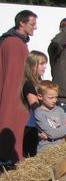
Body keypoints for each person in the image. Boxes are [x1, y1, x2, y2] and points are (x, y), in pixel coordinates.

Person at [0, 9, 37, 164]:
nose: (35, 27)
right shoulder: (14, 44)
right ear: (21, 23)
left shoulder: (13, 42)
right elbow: (14, 79)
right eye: (32, 23)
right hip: (15, 99)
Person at [22, 50, 48, 157]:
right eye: (41, 64)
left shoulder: (41, 83)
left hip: (40, 123)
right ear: (32, 65)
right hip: (32, 126)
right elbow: (36, 108)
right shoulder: (28, 85)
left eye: (45, 64)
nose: (44, 67)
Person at [34, 80, 66, 151]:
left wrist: (52, 134)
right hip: (47, 148)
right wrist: (65, 127)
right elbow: (52, 134)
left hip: (62, 147)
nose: (54, 100)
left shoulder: (59, 110)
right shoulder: (39, 113)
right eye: (51, 98)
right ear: (40, 96)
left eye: (56, 97)